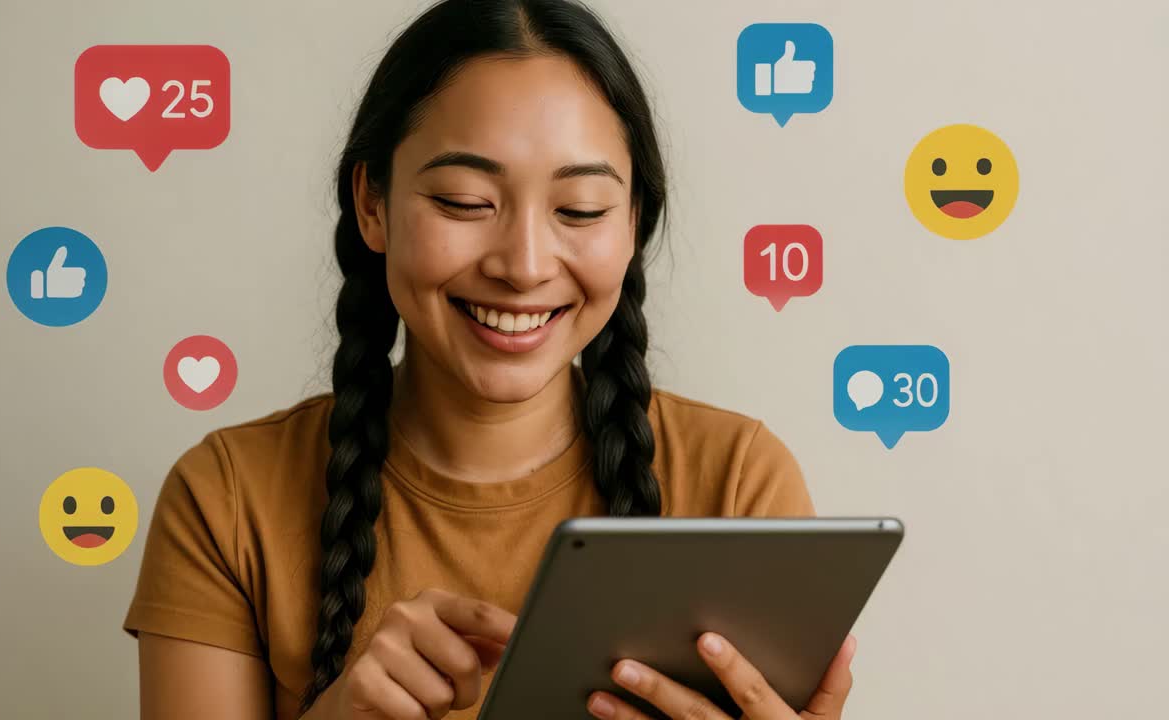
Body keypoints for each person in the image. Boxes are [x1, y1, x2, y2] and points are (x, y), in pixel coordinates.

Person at [123, 1, 855, 718]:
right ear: (372, 205)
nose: (524, 264)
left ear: (633, 223)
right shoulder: (224, 499)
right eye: (466, 200)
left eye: (581, 210)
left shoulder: (739, 483)